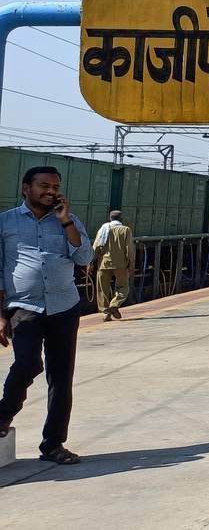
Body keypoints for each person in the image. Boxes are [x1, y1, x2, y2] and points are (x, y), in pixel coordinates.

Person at [0, 165, 93, 464]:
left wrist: (66, 222)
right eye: (44, 186)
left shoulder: (70, 221)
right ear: (26, 188)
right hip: (24, 306)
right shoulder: (5, 222)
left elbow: (85, 257)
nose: (51, 191)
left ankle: (53, 444)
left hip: (64, 306)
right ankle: (3, 414)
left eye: (55, 186)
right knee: (27, 363)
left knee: (61, 377)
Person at [93, 210, 134, 321]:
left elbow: (96, 247)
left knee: (102, 290)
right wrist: (131, 265)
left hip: (103, 264)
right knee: (123, 287)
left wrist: (90, 262)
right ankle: (114, 305)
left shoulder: (103, 229)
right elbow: (129, 250)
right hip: (120, 264)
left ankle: (106, 313)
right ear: (121, 219)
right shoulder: (125, 230)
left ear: (110, 218)